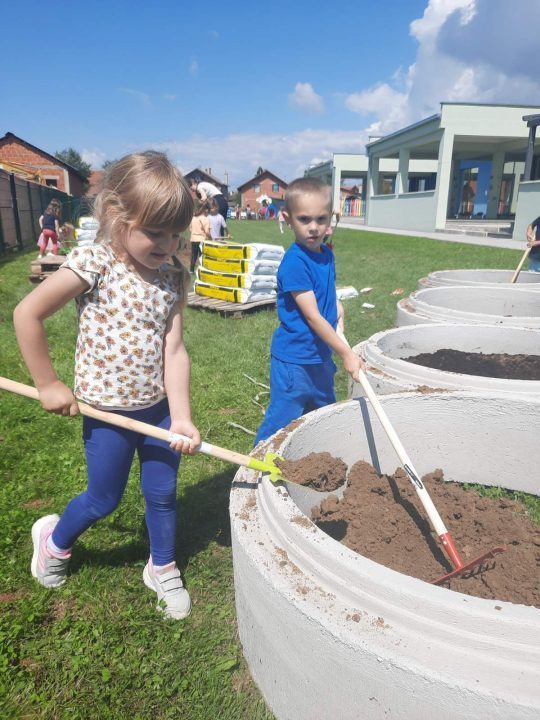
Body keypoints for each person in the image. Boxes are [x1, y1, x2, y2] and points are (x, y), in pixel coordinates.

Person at [13, 151, 201, 620]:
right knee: (103, 498)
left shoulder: (171, 275)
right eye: (155, 232)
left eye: (175, 234)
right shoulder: (94, 263)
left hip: (157, 409)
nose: (168, 244)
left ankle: (162, 565)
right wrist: (47, 383)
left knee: (162, 492)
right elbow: (27, 313)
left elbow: (174, 350)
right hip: (106, 412)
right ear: (118, 216)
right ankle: (53, 542)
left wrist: (181, 417)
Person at [254, 177, 364, 445]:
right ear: (288, 219)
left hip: (320, 358)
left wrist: (336, 305)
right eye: (304, 219)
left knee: (323, 415)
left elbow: (325, 287)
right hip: (295, 361)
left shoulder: (326, 254)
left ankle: (314, 457)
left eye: (321, 219)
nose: (314, 227)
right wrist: (346, 353)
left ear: (330, 220)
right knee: (282, 420)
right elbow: (312, 317)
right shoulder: (295, 263)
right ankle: (256, 462)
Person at [189, 199, 211, 272]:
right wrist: (211, 238)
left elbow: (190, 229)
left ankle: (191, 270)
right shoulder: (205, 219)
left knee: (193, 255)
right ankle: (202, 270)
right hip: (202, 240)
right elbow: (207, 232)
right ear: (206, 210)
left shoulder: (193, 218)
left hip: (193, 239)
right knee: (202, 256)